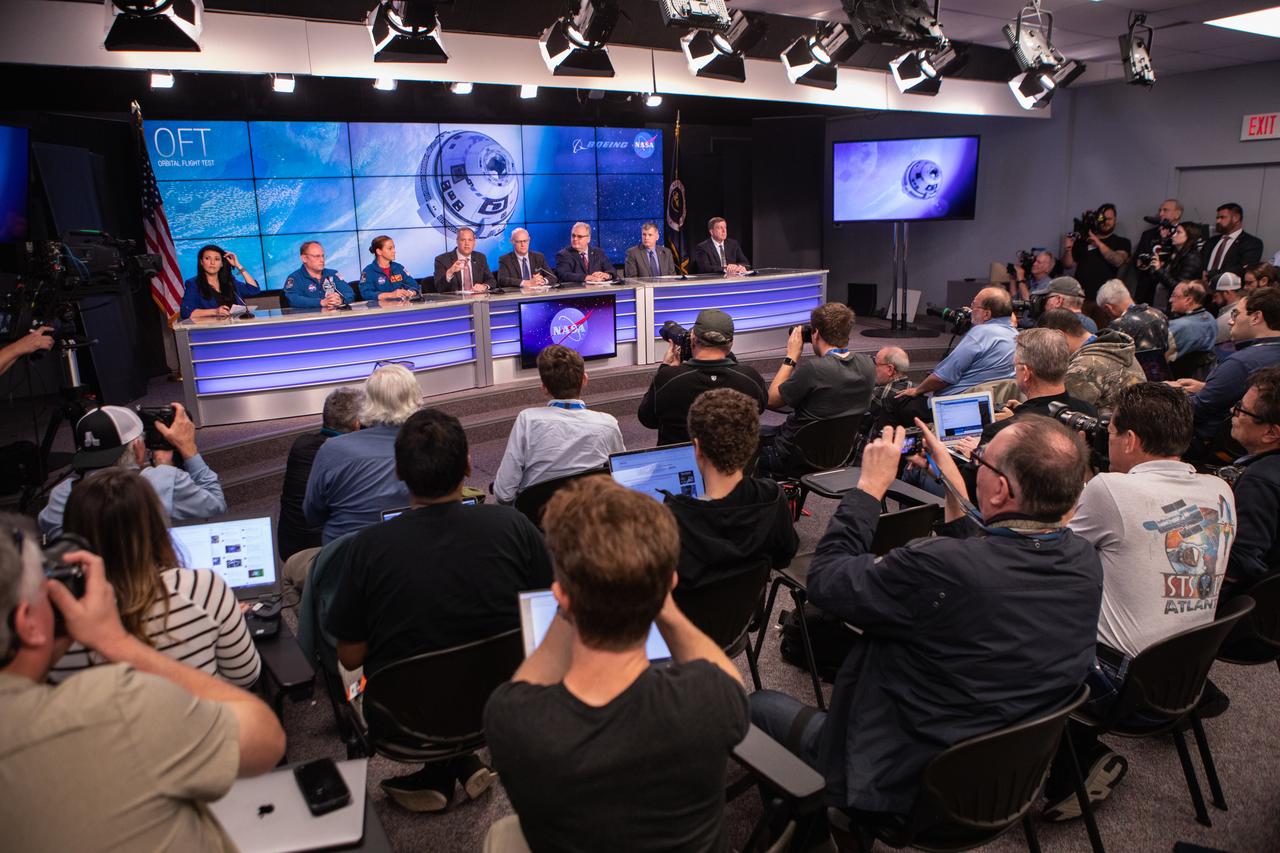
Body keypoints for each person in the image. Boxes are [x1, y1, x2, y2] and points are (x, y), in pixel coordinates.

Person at [749, 416, 1101, 826]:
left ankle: (818, 834)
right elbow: (985, 552)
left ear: (1001, 488)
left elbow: (826, 580)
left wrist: (868, 488)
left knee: (757, 706)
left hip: (906, 786)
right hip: (1002, 783)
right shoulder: (1083, 561)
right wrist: (954, 479)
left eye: (981, 462)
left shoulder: (939, 568)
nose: (976, 467)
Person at [484, 476, 749, 851]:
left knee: (503, 835)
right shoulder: (711, 699)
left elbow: (527, 683)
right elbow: (728, 676)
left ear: (562, 597)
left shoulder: (512, 718)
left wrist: (570, 602)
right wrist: (663, 603)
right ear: (668, 586)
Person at [0, 513, 285, 852]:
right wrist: (116, 642)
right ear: (27, 622)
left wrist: (46, 652)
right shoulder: (119, 701)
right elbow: (266, 737)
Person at [326, 408, 552, 812]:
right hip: (506, 704)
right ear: (468, 464)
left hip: (403, 722)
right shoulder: (513, 526)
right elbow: (548, 615)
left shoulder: (366, 550)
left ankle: (443, 768)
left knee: (351, 664)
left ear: (398, 471)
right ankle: (462, 761)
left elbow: (350, 656)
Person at [1042, 383, 1235, 820]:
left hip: (1120, 687)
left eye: (1109, 431)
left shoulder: (1112, 488)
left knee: (1025, 622)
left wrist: (1074, 466)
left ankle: (1073, 761)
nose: (1105, 438)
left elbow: (1052, 550)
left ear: (1129, 439)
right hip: (1182, 677)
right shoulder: (1222, 491)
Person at [52, 469, 261, 687]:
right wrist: (224, 617)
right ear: (155, 524)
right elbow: (246, 676)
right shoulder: (204, 588)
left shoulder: (59, 625)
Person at [666, 388, 799, 589]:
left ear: (697, 448)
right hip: (747, 617)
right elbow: (784, 557)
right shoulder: (772, 498)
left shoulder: (672, 518)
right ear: (753, 444)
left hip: (683, 619)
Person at [39, 404, 226, 539]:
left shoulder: (61, 496)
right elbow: (216, 508)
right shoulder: (163, 480)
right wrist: (188, 449)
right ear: (138, 448)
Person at [303, 364, 418, 546]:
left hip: (345, 560)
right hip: (412, 553)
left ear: (368, 402)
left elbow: (312, 516)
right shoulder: (433, 447)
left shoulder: (331, 449)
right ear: (416, 397)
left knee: (293, 567)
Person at [492, 345, 624, 504]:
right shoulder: (607, 424)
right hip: (588, 518)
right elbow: (621, 478)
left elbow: (503, 494)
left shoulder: (527, 420)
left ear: (544, 388)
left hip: (536, 523)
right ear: (584, 380)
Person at [761, 302, 875, 476]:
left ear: (816, 333)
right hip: (839, 455)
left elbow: (772, 399)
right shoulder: (868, 365)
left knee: (743, 439)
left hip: (792, 456)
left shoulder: (814, 369)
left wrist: (791, 356)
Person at [637, 308, 766, 446]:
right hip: (734, 463)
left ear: (693, 338)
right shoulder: (750, 378)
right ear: (731, 344)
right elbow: (761, 408)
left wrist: (665, 368)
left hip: (680, 464)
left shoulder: (668, 378)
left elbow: (647, 419)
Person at [1172, 287, 1280, 453]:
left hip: (1213, 450)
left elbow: (1195, 410)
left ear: (1256, 317)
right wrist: (1209, 388)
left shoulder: (1241, 363)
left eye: (1236, 314)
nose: (1230, 321)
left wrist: (1166, 395)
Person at [278, 387, 363, 561]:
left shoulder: (300, 445)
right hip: (327, 554)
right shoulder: (351, 455)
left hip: (289, 549)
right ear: (357, 424)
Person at [1220, 366, 1280, 599]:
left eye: (1242, 410)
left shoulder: (1260, 481)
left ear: (1271, 433)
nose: (1232, 411)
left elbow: (1241, 564)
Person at [896, 287, 1017, 402]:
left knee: (897, 402)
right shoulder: (1017, 336)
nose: (970, 311)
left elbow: (941, 378)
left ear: (986, 314)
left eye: (973, 306)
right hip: (995, 403)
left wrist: (917, 390)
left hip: (957, 404)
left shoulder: (979, 334)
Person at [979, 327, 1097, 444]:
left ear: (1025, 372)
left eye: (1015, 366)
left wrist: (975, 453)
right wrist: (1020, 412)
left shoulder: (998, 433)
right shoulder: (1089, 413)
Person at [1038, 309, 1144, 414]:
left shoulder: (1083, 367)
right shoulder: (1115, 347)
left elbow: (1057, 415)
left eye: (1045, 343)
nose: (1045, 350)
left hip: (1111, 428)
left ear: (1059, 335)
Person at [179, 243, 260, 321]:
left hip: (237, 328)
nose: (212, 263)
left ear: (222, 264)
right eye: (207, 258)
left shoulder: (230, 281)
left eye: (217, 259)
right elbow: (185, 312)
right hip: (211, 331)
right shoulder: (193, 284)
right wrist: (215, 311)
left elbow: (253, 290)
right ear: (201, 262)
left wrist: (238, 265)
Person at [1096, 278, 1171, 355]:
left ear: (1108, 308)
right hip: (1162, 366)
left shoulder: (1118, 325)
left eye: (1105, 313)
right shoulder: (1158, 313)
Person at [1134, 198, 1183, 305]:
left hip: (1167, 291)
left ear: (1177, 214)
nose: (1160, 214)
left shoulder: (1182, 236)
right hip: (1145, 289)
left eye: (1165, 210)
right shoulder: (1148, 234)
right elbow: (1137, 260)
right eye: (1160, 210)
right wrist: (1144, 263)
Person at [283, 241, 354, 308]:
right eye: (317, 256)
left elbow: (349, 293)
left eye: (323, 256)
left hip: (335, 317)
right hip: (309, 319)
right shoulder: (294, 278)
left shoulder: (333, 274)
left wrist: (341, 300)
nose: (322, 260)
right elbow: (293, 299)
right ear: (304, 258)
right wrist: (320, 302)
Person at [1148, 221, 1205, 306]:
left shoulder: (1192, 258)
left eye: (1178, 232)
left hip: (1175, 303)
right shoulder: (1175, 253)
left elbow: (1179, 287)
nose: (1173, 235)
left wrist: (1159, 270)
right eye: (1174, 232)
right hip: (1162, 299)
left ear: (1190, 236)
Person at [1203, 202, 1264, 280]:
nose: (1218, 221)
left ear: (1236, 218)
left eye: (1222, 217)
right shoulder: (1211, 241)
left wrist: (1210, 274)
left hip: (1230, 288)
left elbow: (1243, 269)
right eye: (1217, 218)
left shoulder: (1252, 243)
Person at [433, 227, 495, 293]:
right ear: (457, 241)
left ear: (474, 242)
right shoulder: (442, 260)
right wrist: (450, 272)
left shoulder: (480, 258)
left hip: (477, 300)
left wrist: (484, 286)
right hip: (455, 301)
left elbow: (491, 280)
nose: (467, 244)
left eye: (470, 240)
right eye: (463, 240)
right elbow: (439, 287)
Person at [1167, 280, 1218, 362]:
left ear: (1188, 300)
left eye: (1174, 295)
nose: (1170, 300)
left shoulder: (1178, 327)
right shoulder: (1210, 318)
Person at [360, 235, 421, 303]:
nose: (394, 251)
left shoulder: (399, 268)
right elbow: (366, 294)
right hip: (380, 311)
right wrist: (390, 295)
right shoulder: (368, 271)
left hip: (401, 308)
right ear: (379, 252)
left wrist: (410, 293)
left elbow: (415, 286)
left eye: (394, 248)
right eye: (390, 248)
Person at [867, 346, 912, 428]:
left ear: (890, 370)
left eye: (876, 364)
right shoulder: (914, 388)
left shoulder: (880, 393)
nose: (873, 368)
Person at [1212, 272, 1244, 344]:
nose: (1213, 300)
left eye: (1215, 296)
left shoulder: (1224, 320)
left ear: (1227, 293)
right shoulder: (1244, 306)